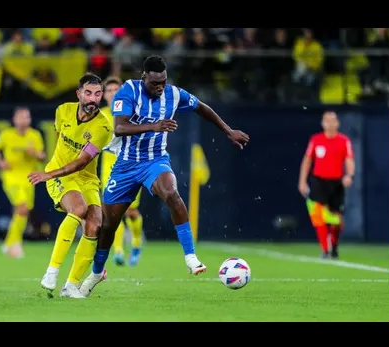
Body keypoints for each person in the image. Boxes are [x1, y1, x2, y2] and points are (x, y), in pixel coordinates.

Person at [78, 55, 250, 297]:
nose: (160, 87)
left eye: (163, 82)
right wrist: (154, 126)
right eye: (155, 83)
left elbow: (202, 108)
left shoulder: (174, 94)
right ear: (144, 77)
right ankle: (97, 273)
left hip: (155, 161)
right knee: (108, 226)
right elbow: (120, 127)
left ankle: (190, 257)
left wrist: (228, 130)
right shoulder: (128, 91)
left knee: (171, 193)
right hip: (125, 164)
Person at [27, 73, 113, 299]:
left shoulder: (103, 127)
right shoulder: (62, 111)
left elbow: (82, 162)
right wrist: (52, 173)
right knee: (78, 208)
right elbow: (60, 140)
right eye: (88, 93)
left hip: (86, 178)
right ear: (79, 94)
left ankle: (71, 286)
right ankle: (52, 271)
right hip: (60, 175)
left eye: (97, 94)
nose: (93, 98)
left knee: (95, 225)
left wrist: (48, 174)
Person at [99, 76, 145, 266]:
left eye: (115, 90)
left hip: (130, 165)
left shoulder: (132, 113)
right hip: (109, 167)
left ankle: (136, 242)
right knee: (112, 210)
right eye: (109, 91)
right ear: (104, 95)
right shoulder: (99, 115)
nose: (112, 94)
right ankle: (118, 250)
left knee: (131, 211)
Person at [297, 111, 355, 259]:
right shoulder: (316, 140)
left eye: (332, 120)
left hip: (336, 183)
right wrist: (302, 181)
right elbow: (307, 161)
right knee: (318, 215)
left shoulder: (344, 141)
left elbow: (349, 160)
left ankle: (334, 245)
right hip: (319, 182)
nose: (330, 123)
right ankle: (325, 249)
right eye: (327, 120)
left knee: (336, 221)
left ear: (337, 123)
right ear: (322, 123)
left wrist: (349, 175)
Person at [0, 107, 46, 258]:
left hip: (29, 178)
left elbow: (42, 156)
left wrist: (34, 153)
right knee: (22, 208)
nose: (24, 120)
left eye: (27, 117)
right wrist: (0, 162)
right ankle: (15, 243)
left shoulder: (35, 135)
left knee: (23, 211)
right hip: (11, 177)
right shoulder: (6, 134)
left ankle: (9, 243)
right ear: (14, 119)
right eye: (21, 117)